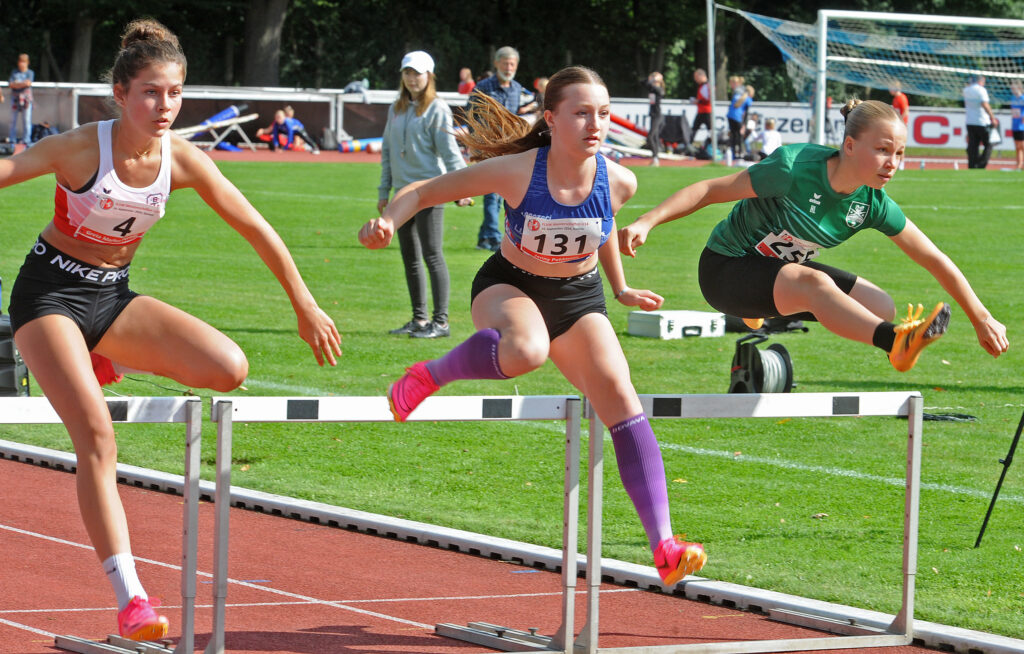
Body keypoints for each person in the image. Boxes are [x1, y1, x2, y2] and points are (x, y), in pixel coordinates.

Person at [2, 18, 341, 641]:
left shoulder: (182, 160)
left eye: (176, 93)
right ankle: (130, 596)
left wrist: (304, 305)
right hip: (48, 295)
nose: (165, 107)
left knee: (228, 369)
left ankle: (100, 359)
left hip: (111, 299)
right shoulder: (81, 147)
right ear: (120, 94)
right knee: (98, 437)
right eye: (151, 93)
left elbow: (257, 228)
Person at [359, 65, 708, 587]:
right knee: (525, 350)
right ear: (551, 117)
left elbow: (602, 223)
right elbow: (425, 190)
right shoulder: (520, 170)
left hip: (578, 297)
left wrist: (619, 287)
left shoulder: (621, 179)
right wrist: (389, 220)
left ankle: (663, 545)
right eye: (582, 113)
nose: (597, 124)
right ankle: (431, 374)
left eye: (605, 114)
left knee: (620, 394)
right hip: (509, 286)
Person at [620, 99, 1008, 373]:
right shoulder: (792, 169)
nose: (892, 163)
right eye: (883, 150)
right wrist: (646, 222)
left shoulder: (873, 203)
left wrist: (982, 317)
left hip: (776, 276)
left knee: (880, 306)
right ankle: (896, 344)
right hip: (724, 270)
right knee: (814, 282)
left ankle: (764, 311)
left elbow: (932, 258)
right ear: (850, 146)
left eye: (901, 153)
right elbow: (709, 190)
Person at [379, 51, 471, 339]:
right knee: (410, 258)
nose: (412, 78)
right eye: (407, 72)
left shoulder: (437, 109)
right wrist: (384, 191)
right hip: (401, 194)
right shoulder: (396, 108)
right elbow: (387, 153)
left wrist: (464, 186)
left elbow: (449, 151)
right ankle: (419, 319)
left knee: (432, 256)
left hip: (430, 192)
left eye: (417, 73)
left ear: (429, 76)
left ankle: (440, 322)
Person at [469, 46, 528, 252]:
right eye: (505, 63)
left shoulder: (517, 88)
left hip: (509, 149)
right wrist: (473, 144)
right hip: (488, 147)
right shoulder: (483, 87)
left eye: (512, 64)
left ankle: (484, 238)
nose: (509, 67)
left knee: (499, 194)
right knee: (492, 193)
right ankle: (493, 236)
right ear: (496, 64)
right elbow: (472, 116)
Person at [963, 75, 998, 169]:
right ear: (981, 81)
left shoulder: (966, 90)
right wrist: (992, 117)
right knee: (989, 143)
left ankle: (972, 164)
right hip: (982, 121)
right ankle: (981, 164)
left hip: (970, 121)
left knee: (973, 144)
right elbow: (985, 104)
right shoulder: (981, 90)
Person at [9, 54, 35, 147]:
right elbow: (11, 84)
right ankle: (12, 140)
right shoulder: (14, 72)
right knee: (13, 120)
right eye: (20, 62)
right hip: (15, 98)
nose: (22, 64)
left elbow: (28, 83)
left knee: (27, 120)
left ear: (27, 63)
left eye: (24, 62)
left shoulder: (30, 73)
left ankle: (26, 140)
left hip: (26, 99)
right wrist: (22, 84)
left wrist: (17, 84)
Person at [725, 76, 750, 159]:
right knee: (737, 135)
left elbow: (745, 110)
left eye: (731, 83)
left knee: (735, 135)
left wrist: (744, 123)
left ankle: (735, 153)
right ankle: (738, 153)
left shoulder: (738, 92)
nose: (730, 85)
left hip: (734, 116)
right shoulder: (740, 92)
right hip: (736, 116)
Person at [645, 72, 665, 166]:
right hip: (653, 115)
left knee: (651, 136)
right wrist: (651, 79)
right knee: (655, 137)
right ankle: (655, 159)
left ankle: (655, 157)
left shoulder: (659, 89)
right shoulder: (652, 89)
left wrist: (654, 80)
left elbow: (661, 92)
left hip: (658, 116)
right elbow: (643, 82)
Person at [691, 68, 713, 150]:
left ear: (701, 76)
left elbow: (708, 99)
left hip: (707, 111)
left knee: (710, 131)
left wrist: (698, 101)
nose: (695, 79)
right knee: (694, 129)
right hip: (701, 111)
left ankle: (709, 146)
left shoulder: (707, 86)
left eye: (696, 77)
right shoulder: (702, 86)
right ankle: (691, 145)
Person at [1010, 80, 1024, 171]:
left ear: (1018, 88)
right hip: (1015, 125)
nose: (1012, 90)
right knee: (1017, 146)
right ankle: (1018, 165)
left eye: (1013, 88)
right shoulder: (1013, 98)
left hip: (1022, 125)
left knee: (1022, 145)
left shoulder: (1022, 98)